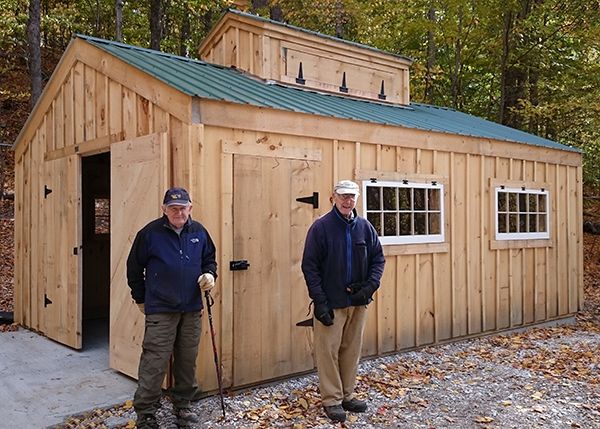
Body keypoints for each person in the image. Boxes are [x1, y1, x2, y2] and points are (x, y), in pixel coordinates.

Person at [126, 187, 217, 428]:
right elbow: (134, 268)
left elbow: (210, 259)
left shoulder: (199, 232)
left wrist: (210, 274)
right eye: (173, 208)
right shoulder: (149, 234)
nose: (178, 212)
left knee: (187, 359)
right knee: (154, 361)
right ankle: (146, 412)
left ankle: (183, 404)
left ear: (190, 207)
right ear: (164, 209)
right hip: (160, 308)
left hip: (191, 307)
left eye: (183, 207)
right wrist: (141, 298)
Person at [301, 179, 385, 423]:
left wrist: (370, 286)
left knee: (351, 350)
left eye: (352, 197)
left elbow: (378, 260)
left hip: (358, 302)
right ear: (333, 198)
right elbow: (310, 266)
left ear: (357, 199)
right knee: (328, 352)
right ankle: (332, 400)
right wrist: (320, 301)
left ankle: (347, 395)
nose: (348, 201)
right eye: (343, 196)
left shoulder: (365, 228)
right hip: (331, 302)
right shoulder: (321, 228)